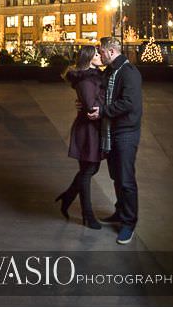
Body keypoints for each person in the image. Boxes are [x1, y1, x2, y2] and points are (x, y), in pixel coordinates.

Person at [87, 37, 143, 245]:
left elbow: (128, 103)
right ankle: (120, 212)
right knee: (117, 176)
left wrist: (103, 111)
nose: (100, 55)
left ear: (111, 51)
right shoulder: (110, 71)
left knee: (126, 179)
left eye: (101, 52)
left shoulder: (129, 73)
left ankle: (129, 223)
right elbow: (98, 89)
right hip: (112, 130)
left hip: (126, 132)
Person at [56, 45, 106, 229]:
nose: (100, 57)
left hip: (93, 128)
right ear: (89, 58)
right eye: (97, 55)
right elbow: (90, 105)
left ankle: (68, 196)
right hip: (88, 129)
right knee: (88, 170)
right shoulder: (86, 80)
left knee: (90, 169)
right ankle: (87, 214)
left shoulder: (95, 76)